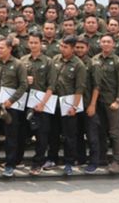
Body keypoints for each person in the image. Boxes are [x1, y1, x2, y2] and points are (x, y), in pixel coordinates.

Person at [46, 36, 86, 175]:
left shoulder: (78, 65)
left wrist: (74, 107)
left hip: (69, 102)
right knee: (53, 132)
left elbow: (80, 88)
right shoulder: (55, 60)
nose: (62, 49)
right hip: (54, 101)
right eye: (61, 46)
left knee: (69, 135)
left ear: (73, 48)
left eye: (65, 47)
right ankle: (52, 158)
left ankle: (69, 162)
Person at [88, 34, 119, 174]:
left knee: (115, 132)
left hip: (111, 102)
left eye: (108, 42)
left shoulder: (118, 61)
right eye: (103, 41)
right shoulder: (94, 60)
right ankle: (102, 158)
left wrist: (118, 100)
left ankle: (117, 160)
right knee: (100, 130)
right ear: (100, 44)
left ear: (113, 44)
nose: (105, 44)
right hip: (97, 101)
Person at [0, 38, 27, 177]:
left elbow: (23, 85)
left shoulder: (18, 64)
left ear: (10, 49)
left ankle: (10, 164)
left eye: (2, 48)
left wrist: (11, 101)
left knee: (11, 136)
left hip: (12, 106)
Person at [20, 31, 54, 175]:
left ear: (41, 44)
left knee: (42, 134)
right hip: (24, 101)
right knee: (21, 133)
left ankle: (38, 163)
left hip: (42, 102)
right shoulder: (22, 60)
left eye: (36, 42)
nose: (33, 45)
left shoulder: (48, 61)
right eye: (31, 42)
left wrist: (43, 103)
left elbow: (52, 85)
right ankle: (17, 160)